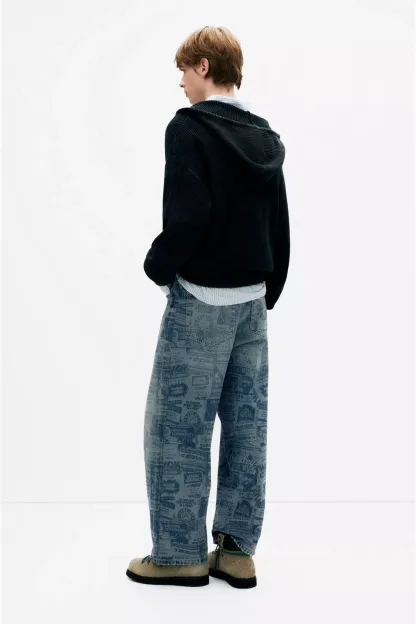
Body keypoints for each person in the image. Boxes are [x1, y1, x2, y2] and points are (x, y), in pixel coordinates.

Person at [126, 25, 290, 589]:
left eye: (183, 69)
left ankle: (179, 555)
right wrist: (268, 289)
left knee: (176, 426)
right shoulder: (265, 137)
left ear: (203, 66)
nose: (180, 81)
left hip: (200, 299)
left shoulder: (188, 127)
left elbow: (189, 215)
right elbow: (278, 221)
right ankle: (237, 552)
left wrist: (158, 267)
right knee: (248, 425)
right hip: (252, 302)